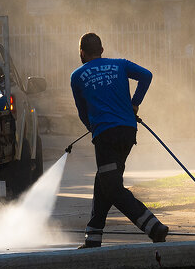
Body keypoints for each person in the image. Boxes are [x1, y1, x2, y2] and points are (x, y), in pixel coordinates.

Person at [70, 32, 168, 248]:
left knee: (112, 187)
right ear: (102, 50)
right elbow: (147, 75)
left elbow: (82, 112)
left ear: (82, 53)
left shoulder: (77, 76)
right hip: (127, 132)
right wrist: (135, 103)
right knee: (105, 180)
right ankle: (93, 236)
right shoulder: (120, 65)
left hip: (105, 136)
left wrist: (93, 128)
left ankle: (153, 227)